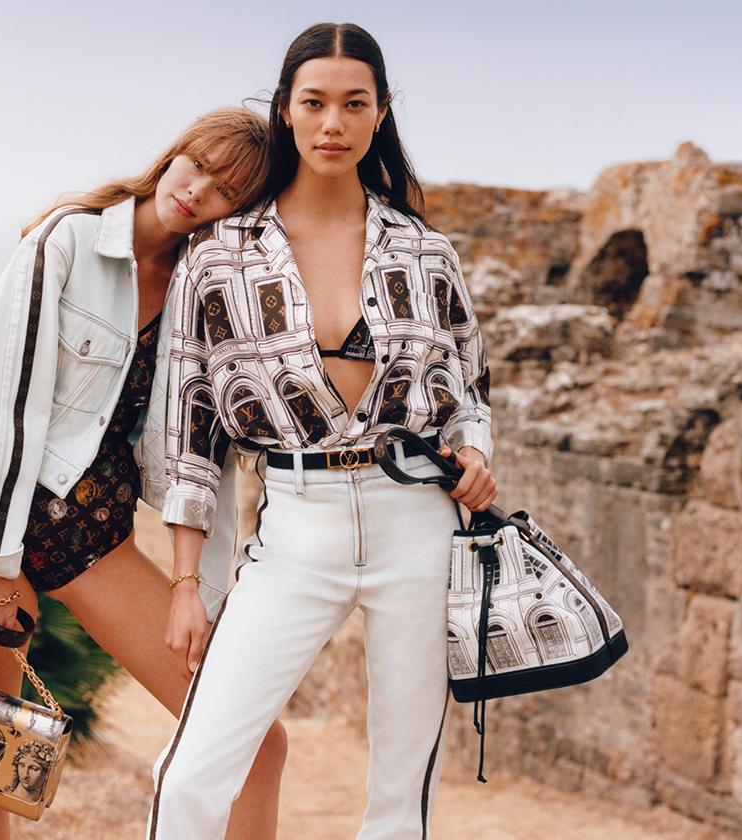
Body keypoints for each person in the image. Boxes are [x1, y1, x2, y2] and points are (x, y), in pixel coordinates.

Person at [145, 22, 498, 840]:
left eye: (354, 103)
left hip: (417, 517)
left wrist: (476, 452)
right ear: (286, 112)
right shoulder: (221, 256)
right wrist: (186, 581)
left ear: (380, 115)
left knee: (401, 793)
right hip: (294, 524)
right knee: (194, 770)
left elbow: (471, 387)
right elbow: (192, 426)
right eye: (315, 103)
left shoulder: (425, 251)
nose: (333, 122)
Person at [0, 106, 290, 840]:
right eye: (197, 164)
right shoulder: (67, 238)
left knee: (254, 740)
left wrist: (210, 596)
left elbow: (207, 459)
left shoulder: (200, 291)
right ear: (172, 154)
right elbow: (2, 407)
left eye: (225, 190)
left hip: (89, 538)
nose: (197, 190)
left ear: (240, 213)